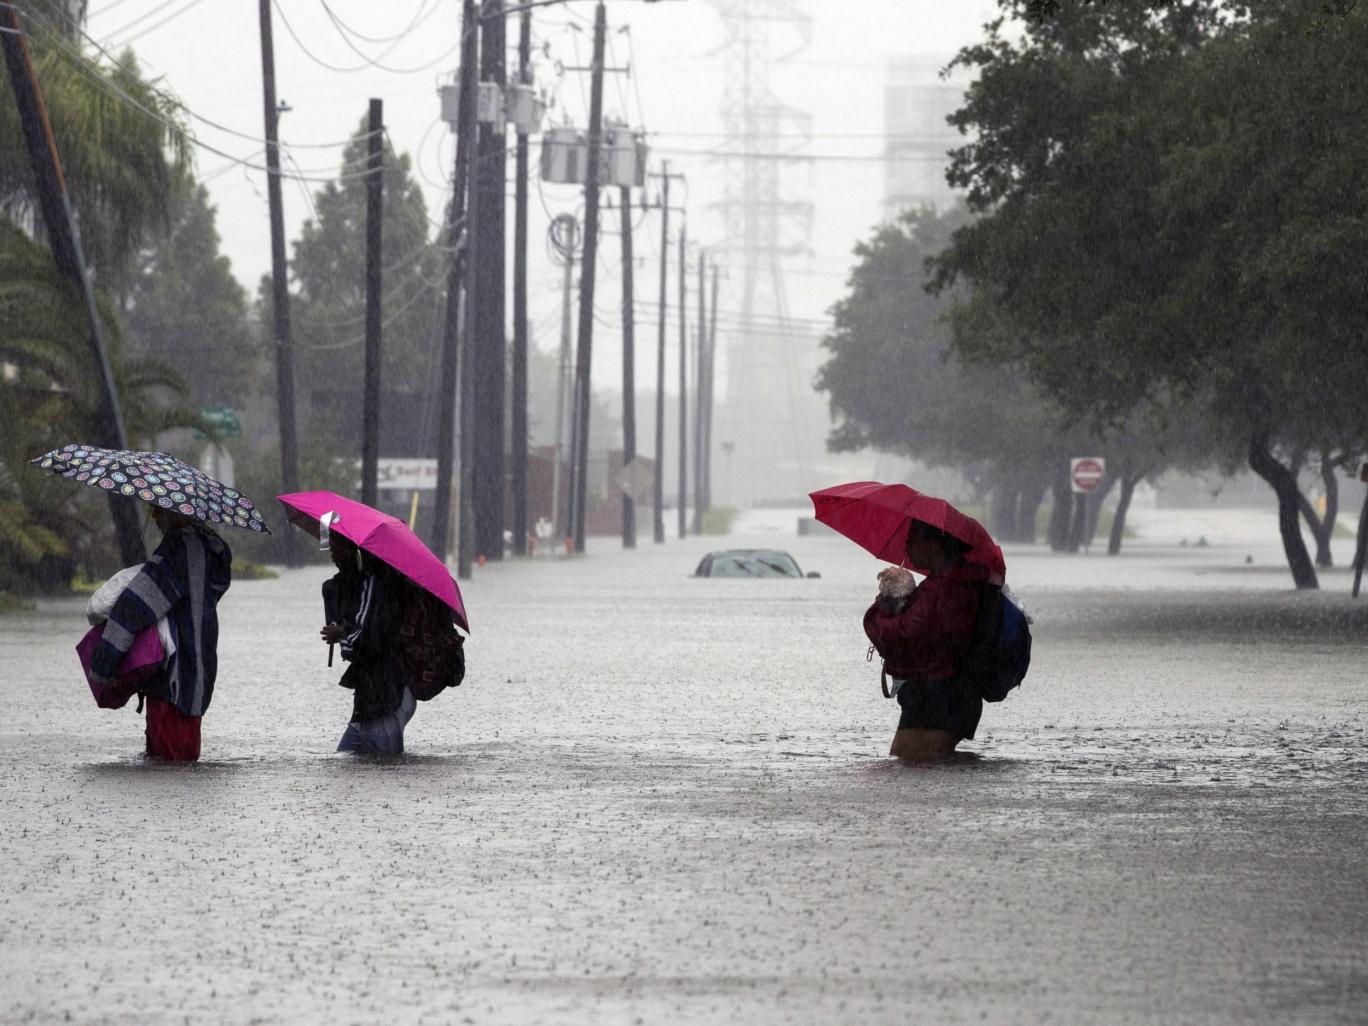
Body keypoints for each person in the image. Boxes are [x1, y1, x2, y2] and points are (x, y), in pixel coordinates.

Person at [88, 505, 232, 761]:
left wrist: (103, 663)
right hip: (197, 676)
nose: (154, 516)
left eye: (158, 510)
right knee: (182, 766)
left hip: (172, 682)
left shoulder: (177, 551)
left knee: (168, 769)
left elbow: (134, 606)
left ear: (178, 510)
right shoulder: (209, 550)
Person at [863, 518, 986, 763]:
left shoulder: (941, 589)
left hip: (935, 696)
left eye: (911, 542)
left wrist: (879, 611)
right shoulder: (962, 582)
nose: (906, 549)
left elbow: (901, 634)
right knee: (931, 767)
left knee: (909, 767)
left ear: (932, 545)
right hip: (956, 693)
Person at [320, 532, 415, 754]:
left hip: (385, 695)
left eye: (337, 549)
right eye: (331, 549)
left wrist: (342, 635)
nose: (333, 555)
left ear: (354, 550)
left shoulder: (375, 584)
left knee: (385, 769)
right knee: (346, 760)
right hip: (371, 698)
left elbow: (367, 636)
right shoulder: (343, 587)